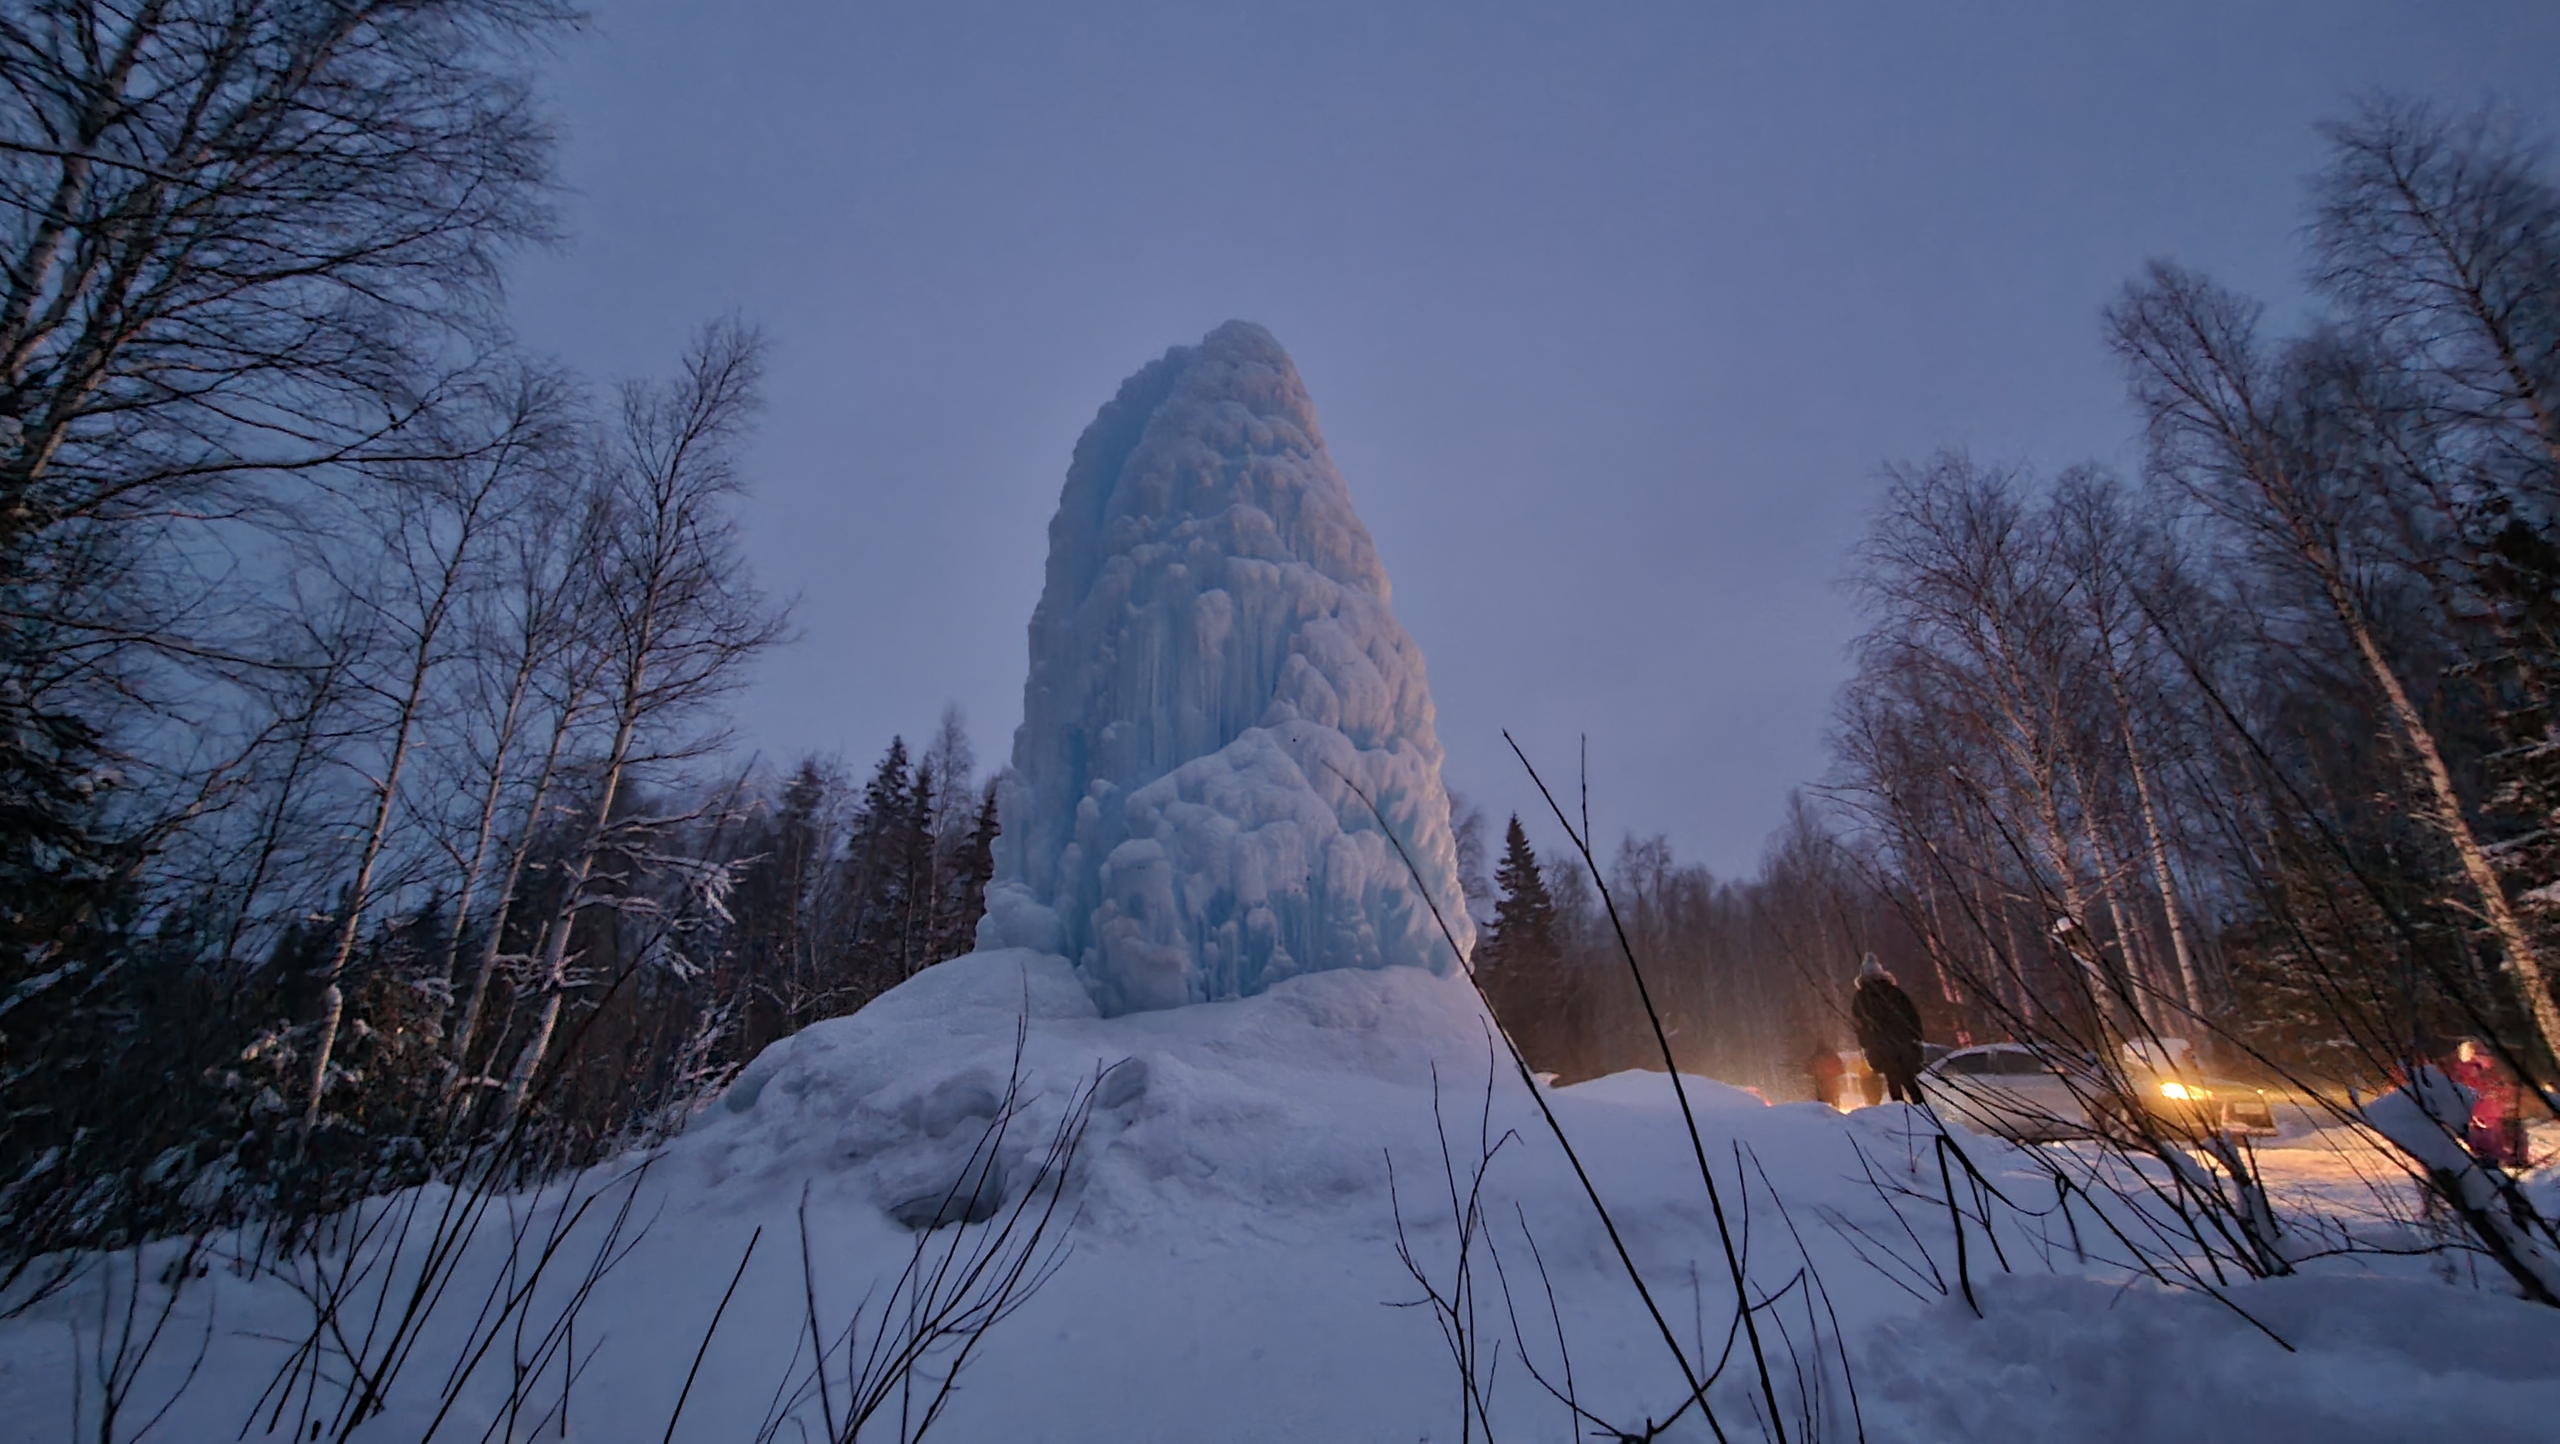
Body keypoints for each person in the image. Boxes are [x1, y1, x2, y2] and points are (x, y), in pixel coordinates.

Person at [1851, 954, 1926, 1105]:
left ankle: (1900, 1110)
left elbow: (1859, 1023)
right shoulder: (1894, 992)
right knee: (1907, 1077)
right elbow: (1911, 1014)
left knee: (1892, 1078)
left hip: (1879, 1044)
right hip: (1901, 1041)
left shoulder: (1861, 997)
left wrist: (1865, 1041)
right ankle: (1921, 1108)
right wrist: (1916, 1035)